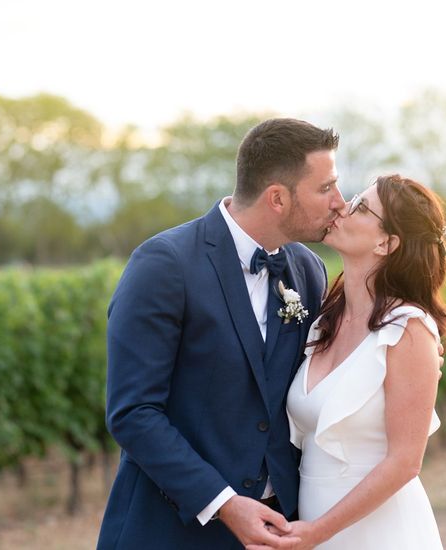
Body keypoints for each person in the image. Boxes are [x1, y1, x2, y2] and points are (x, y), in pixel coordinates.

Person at [96, 118, 346, 549]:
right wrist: (226, 504)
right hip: (170, 531)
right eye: (326, 188)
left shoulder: (308, 270)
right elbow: (133, 413)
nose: (340, 202)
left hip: (280, 531)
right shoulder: (164, 266)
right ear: (277, 198)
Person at [257, 174, 446, 549]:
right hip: (314, 529)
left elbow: (404, 463)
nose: (343, 209)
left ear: (386, 242)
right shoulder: (322, 323)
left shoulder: (408, 330)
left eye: (361, 208)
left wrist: (319, 531)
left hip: (379, 532)